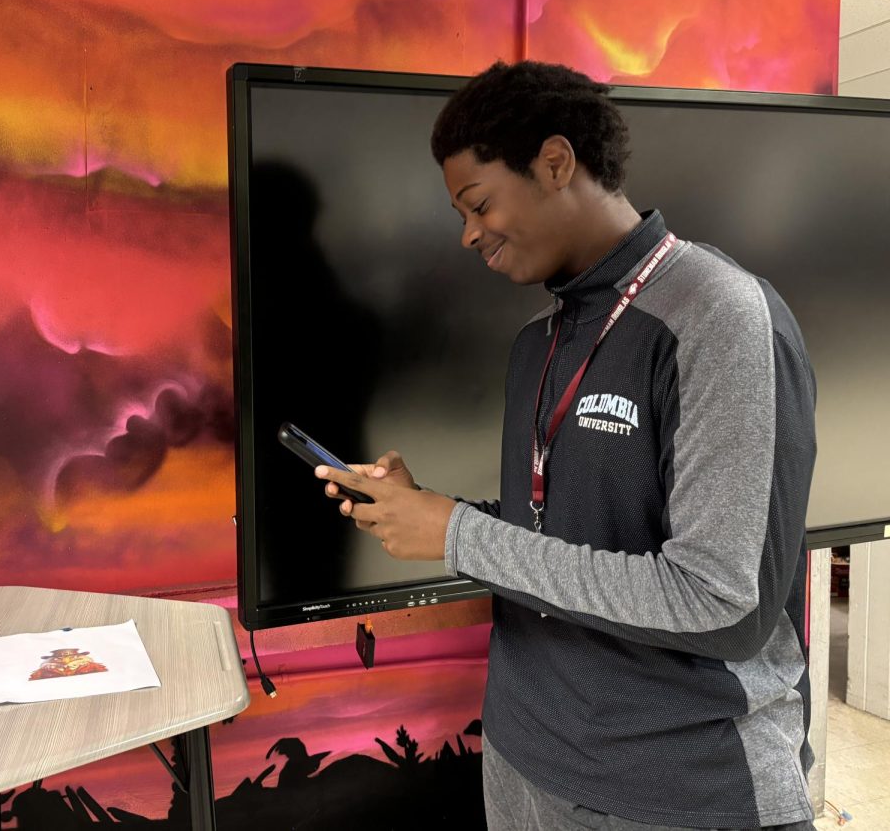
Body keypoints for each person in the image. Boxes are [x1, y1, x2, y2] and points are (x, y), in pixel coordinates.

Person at [313, 60, 817, 831]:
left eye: (478, 204)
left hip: (674, 789)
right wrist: (420, 513)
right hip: (523, 762)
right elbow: (562, 532)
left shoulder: (718, 316)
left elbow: (721, 603)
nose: (467, 234)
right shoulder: (537, 342)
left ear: (556, 162)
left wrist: (457, 533)